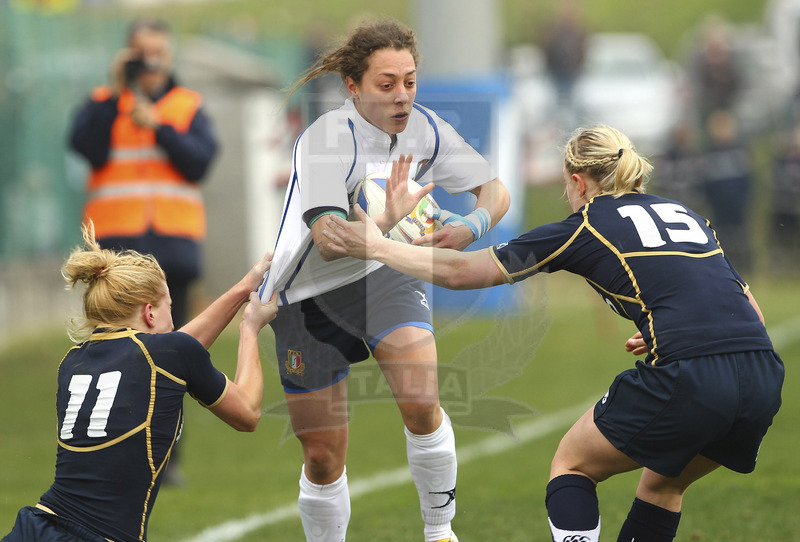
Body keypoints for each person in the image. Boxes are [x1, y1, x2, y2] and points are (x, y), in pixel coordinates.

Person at [323, 125, 784, 542]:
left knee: (572, 465)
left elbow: (463, 273)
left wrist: (377, 247)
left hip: (692, 376)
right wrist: (673, 325)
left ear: (579, 182)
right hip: (762, 379)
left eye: (567, 185)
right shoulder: (686, 215)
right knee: (663, 484)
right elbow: (750, 314)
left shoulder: (584, 225)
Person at [259, 17, 509, 542]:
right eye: (387, 84)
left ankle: (440, 533)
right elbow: (329, 239)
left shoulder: (427, 128)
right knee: (323, 457)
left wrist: (472, 224)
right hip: (306, 295)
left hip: (382, 277)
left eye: (410, 81)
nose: (402, 97)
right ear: (353, 87)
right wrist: (388, 219)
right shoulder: (326, 138)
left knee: (422, 402)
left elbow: (494, 189)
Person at [2, 222, 278, 542]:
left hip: (35, 528)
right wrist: (250, 326)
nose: (173, 323)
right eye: (169, 309)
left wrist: (245, 288)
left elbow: (173, 349)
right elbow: (248, 412)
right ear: (149, 313)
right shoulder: (169, 354)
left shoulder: (73, 360)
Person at [68, 17, 219, 484]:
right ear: (127, 56)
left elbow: (200, 161)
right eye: (141, 55)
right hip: (116, 251)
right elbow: (85, 147)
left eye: (157, 54)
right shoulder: (104, 104)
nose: (149, 64)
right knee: (110, 354)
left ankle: (166, 457)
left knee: (172, 354)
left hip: (173, 249)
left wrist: (159, 126)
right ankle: (108, 452)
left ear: (169, 57)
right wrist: (117, 96)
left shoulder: (186, 105)